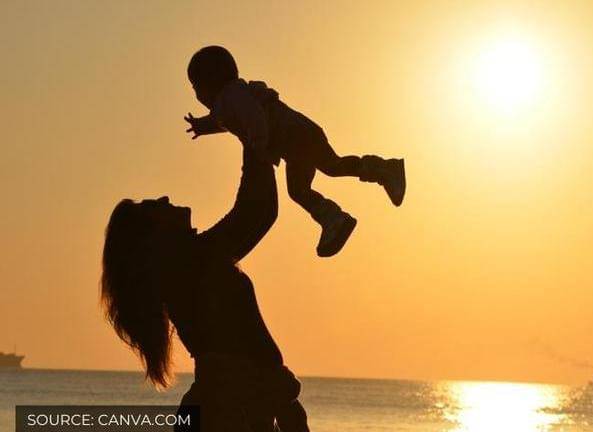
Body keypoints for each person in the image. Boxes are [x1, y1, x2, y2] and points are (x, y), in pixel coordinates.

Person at [101, 141, 309, 431]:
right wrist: (252, 135)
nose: (164, 198)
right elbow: (254, 212)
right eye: (154, 207)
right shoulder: (192, 261)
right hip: (228, 408)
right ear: (154, 238)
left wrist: (257, 141)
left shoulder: (193, 261)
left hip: (238, 404)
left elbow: (260, 212)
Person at [184, 45, 406, 257]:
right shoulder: (229, 100)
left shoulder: (231, 95)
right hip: (296, 141)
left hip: (296, 137)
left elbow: (253, 116)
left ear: (209, 83)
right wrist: (202, 126)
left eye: (196, 87)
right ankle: (339, 213)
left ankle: (358, 195)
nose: (197, 95)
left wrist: (258, 145)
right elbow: (224, 120)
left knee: (321, 174)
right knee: (320, 175)